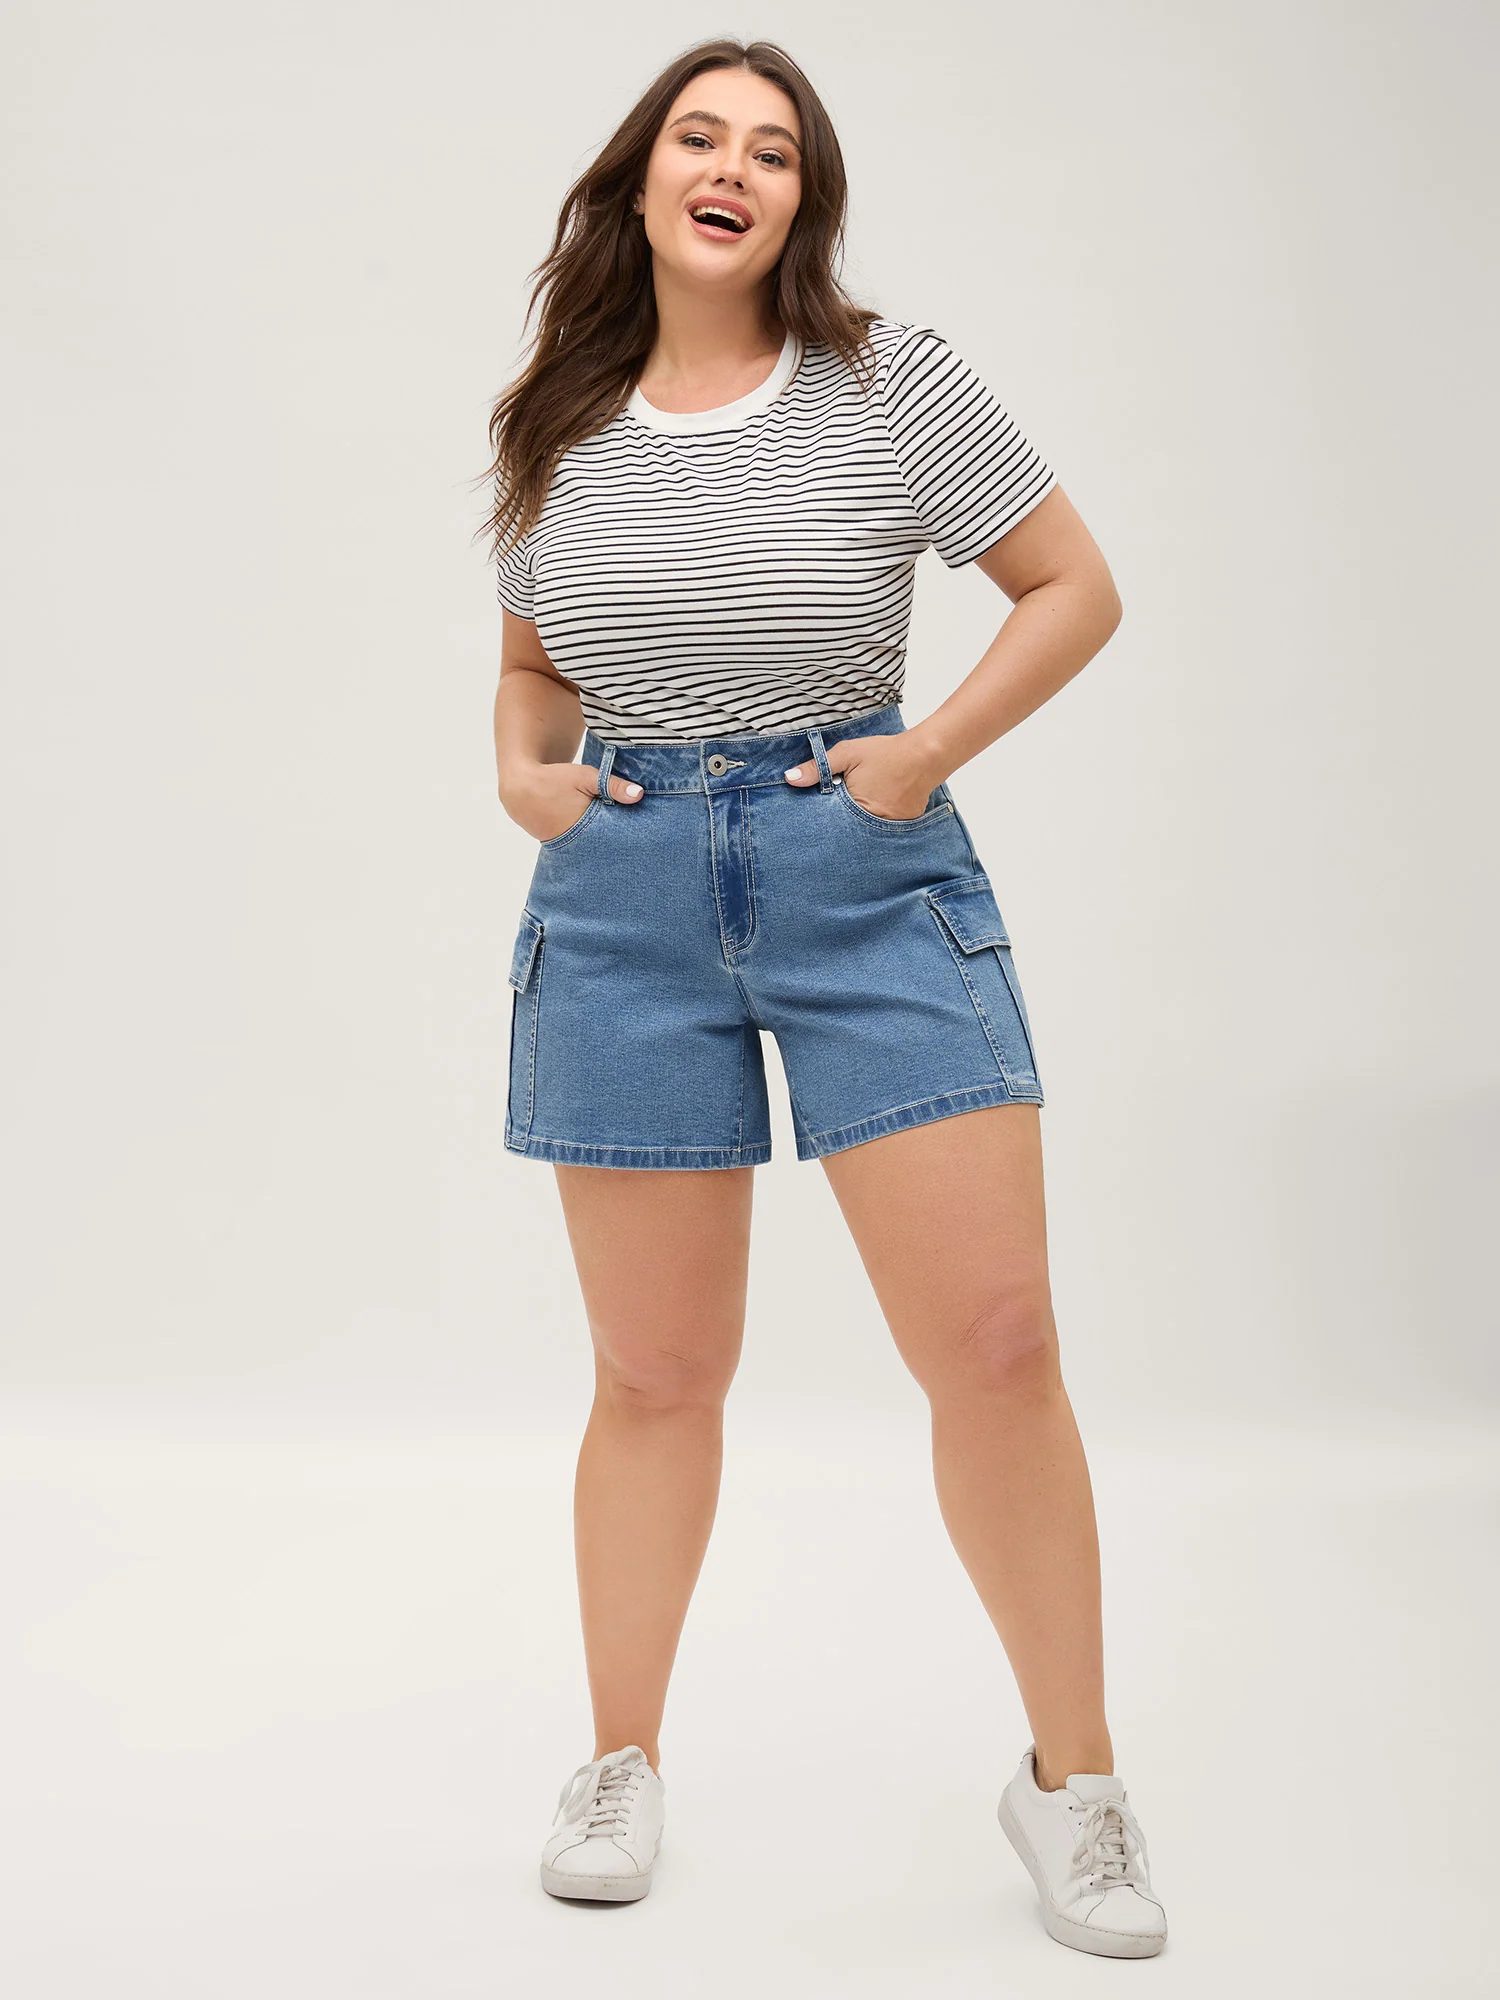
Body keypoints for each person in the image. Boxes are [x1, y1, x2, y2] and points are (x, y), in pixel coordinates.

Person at [482, 35, 1168, 1960]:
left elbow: (1072, 584)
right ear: (640, 180)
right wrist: (524, 775)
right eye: (699, 137)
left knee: (1000, 1343)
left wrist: (924, 750)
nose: (732, 167)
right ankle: (619, 1761)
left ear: (803, 200)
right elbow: (533, 672)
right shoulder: (557, 420)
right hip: (624, 894)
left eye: (772, 151)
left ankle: (1076, 1786)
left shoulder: (887, 381)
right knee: (653, 1377)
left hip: (864, 871)